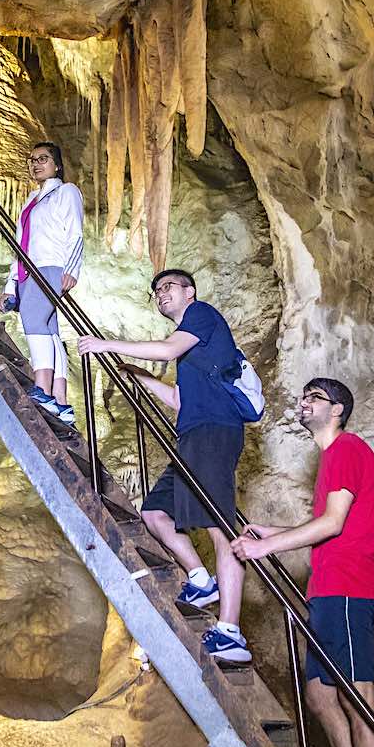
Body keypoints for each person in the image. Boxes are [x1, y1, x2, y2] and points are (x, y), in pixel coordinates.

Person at [78, 269, 251, 662]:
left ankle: (230, 632)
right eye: (156, 291)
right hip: (191, 435)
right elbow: (179, 400)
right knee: (155, 514)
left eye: (168, 287)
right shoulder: (194, 354)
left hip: (214, 433)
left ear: (190, 291)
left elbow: (168, 350)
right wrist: (138, 376)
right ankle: (201, 579)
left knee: (220, 529)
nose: (161, 294)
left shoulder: (202, 315)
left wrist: (108, 344)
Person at [231, 378, 374, 747]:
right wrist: (273, 531)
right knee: (320, 696)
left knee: (359, 700)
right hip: (328, 591)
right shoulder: (331, 460)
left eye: (315, 397)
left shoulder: (347, 449)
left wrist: (265, 547)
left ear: (337, 410)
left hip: (349, 590)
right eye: (304, 395)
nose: (304, 402)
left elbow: (333, 524)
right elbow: (333, 527)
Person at [0, 142, 84, 424]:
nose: (36, 164)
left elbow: (75, 233)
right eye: (32, 159)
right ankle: (61, 401)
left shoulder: (65, 192)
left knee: (34, 321)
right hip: (27, 270)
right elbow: (20, 246)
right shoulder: (31, 201)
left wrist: (71, 270)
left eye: (43, 159)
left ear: (57, 165)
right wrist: (11, 286)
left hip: (50, 266)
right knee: (49, 330)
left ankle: (42, 389)